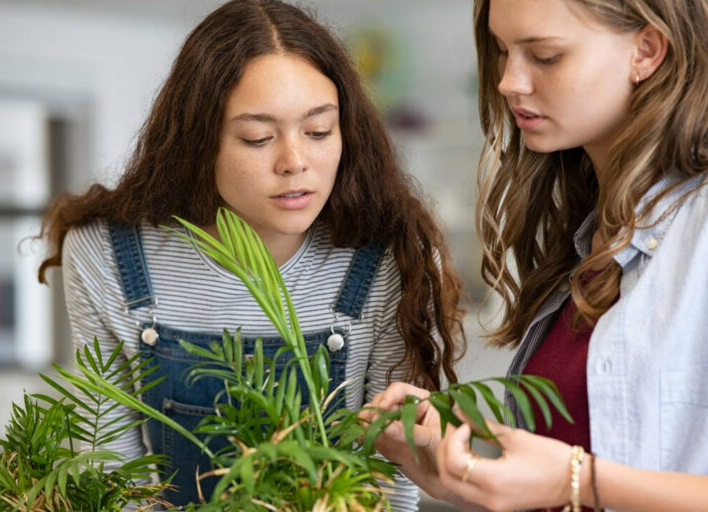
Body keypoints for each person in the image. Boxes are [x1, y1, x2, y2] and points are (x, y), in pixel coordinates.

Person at [36, 0, 465, 508]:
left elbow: (389, 480)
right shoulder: (108, 255)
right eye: (257, 137)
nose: (295, 162)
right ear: (199, 143)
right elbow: (110, 473)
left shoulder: (391, 256)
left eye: (319, 131)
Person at [366, 0, 708, 510]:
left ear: (646, 51)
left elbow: (577, 478)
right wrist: (454, 461)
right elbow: (568, 470)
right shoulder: (589, 234)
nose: (510, 81)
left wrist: (579, 480)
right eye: (502, 51)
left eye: (546, 56)